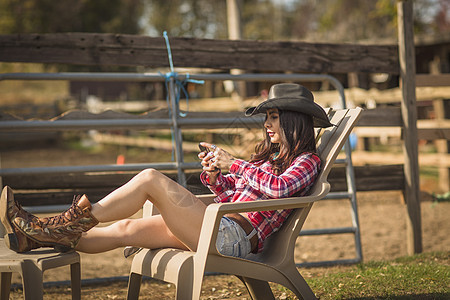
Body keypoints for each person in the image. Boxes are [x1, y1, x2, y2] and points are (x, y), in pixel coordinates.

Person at [1, 83, 333, 259]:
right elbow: (236, 196)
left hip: (230, 236)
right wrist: (219, 179)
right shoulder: (266, 161)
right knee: (126, 229)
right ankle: (39, 236)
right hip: (219, 224)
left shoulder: (307, 162)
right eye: (267, 116)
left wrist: (233, 163)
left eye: (273, 116)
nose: (267, 124)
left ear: (293, 120)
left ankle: (55, 223)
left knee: (149, 178)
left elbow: (278, 190)